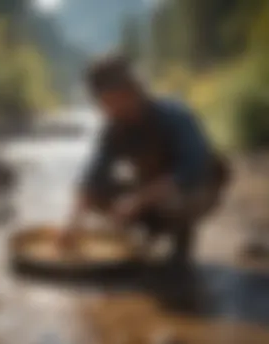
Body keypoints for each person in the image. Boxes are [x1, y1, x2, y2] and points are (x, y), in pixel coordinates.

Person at [60, 55, 229, 266]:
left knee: (174, 201)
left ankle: (180, 235)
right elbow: (92, 176)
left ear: (129, 92)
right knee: (96, 195)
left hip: (195, 187)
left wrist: (138, 200)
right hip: (151, 189)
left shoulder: (174, 116)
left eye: (106, 100)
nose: (103, 108)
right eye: (100, 101)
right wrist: (73, 222)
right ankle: (149, 229)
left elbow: (192, 169)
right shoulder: (114, 128)